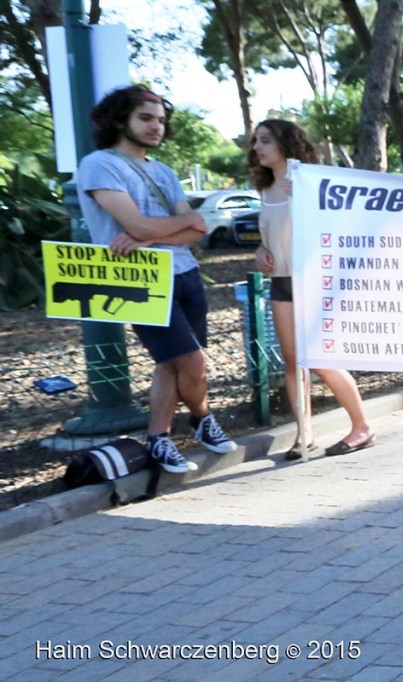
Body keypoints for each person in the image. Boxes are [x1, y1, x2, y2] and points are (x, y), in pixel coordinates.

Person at [77, 85, 237, 473]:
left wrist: (151, 234)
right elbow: (136, 222)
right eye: (145, 118)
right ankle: (202, 418)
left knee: (170, 364)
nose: (156, 127)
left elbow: (196, 231)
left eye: (161, 120)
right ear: (120, 120)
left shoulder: (162, 171)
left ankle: (159, 439)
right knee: (193, 364)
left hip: (185, 274)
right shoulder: (100, 165)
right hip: (140, 281)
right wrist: (166, 225)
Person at [248, 119, 374, 460]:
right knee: (292, 361)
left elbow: (339, 224)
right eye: (255, 141)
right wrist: (261, 253)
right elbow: (267, 239)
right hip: (281, 283)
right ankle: (304, 434)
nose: (257, 148)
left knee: (320, 358)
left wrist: (308, 198)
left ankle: (362, 425)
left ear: (286, 143)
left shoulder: (310, 182)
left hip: (313, 281)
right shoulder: (264, 190)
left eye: (265, 141)